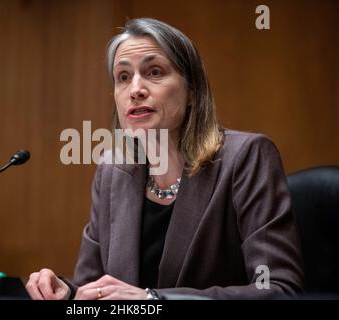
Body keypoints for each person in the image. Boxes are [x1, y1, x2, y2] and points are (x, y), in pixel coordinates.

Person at [26, 18, 304, 300]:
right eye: (123, 77)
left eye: (154, 72)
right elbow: (95, 285)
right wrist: (69, 292)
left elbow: (278, 289)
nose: (135, 90)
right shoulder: (112, 171)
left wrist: (154, 301)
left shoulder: (246, 157)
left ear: (193, 90)